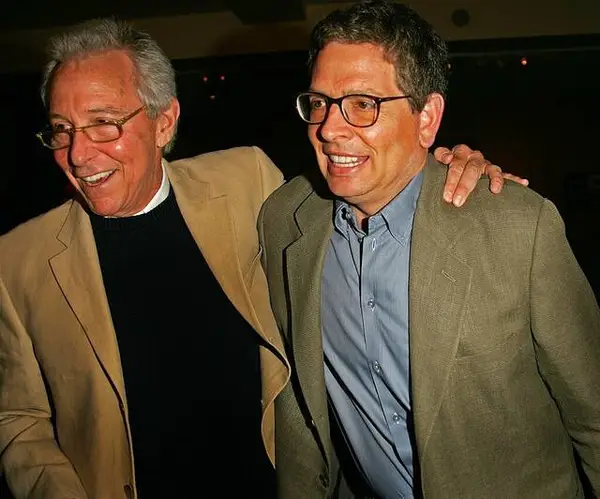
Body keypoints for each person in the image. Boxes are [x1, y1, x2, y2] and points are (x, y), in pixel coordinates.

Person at [0, 17, 520, 499]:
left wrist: (445, 167)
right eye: (61, 129)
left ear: (164, 123)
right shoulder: (17, 261)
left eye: (103, 124)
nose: (78, 154)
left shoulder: (246, 181)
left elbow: (364, 184)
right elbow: (18, 419)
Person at [257, 1, 600, 498]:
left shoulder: (518, 230)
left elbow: (594, 415)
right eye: (319, 102)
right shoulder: (285, 220)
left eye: (362, 104)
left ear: (427, 118)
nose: (329, 129)